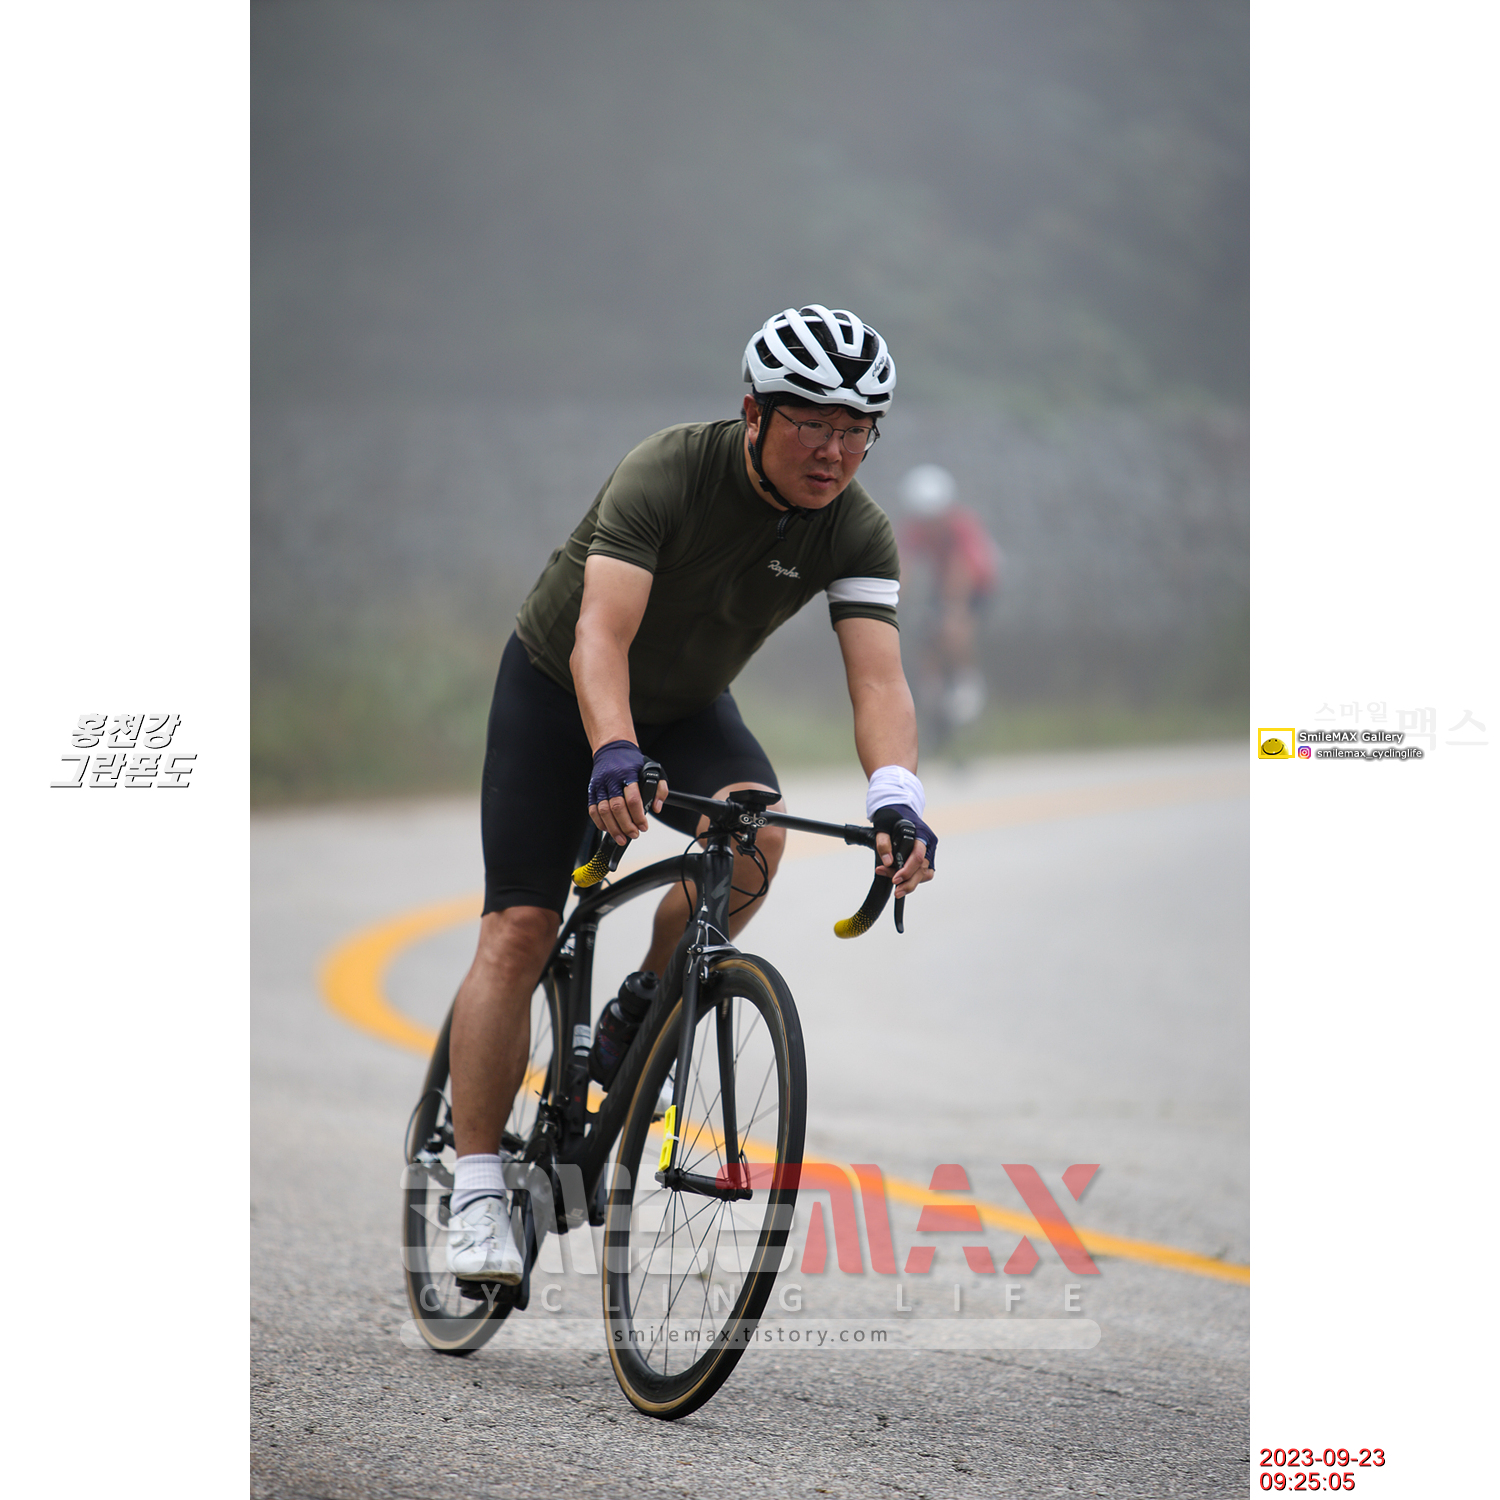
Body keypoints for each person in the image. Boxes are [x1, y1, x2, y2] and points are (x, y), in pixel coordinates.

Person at [445, 305, 939, 1282]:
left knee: (759, 838)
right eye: (812, 423)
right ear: (754, 413)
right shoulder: (669, 470)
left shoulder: (857, 529)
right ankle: (475, 1191)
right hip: (560, 691)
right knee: (520, 929)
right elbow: (600, 635)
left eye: (857, 430)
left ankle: (645, 1002)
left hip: (685, 708)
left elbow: (880, 682)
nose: (835, 452)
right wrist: (612, 749)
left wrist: (897, 799)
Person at [897, 463, 1001, 742]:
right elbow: (903, 566)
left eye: (933, 518)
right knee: (927, 641)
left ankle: (968, 685)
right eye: (923, 518)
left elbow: (963, 570)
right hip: (943, 581)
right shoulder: (915, 528)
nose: (928, 525)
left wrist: (953, 610)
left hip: (978, 582)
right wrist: (890, 603)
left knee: (953, 627)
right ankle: (932, 700)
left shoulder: (962, 526)